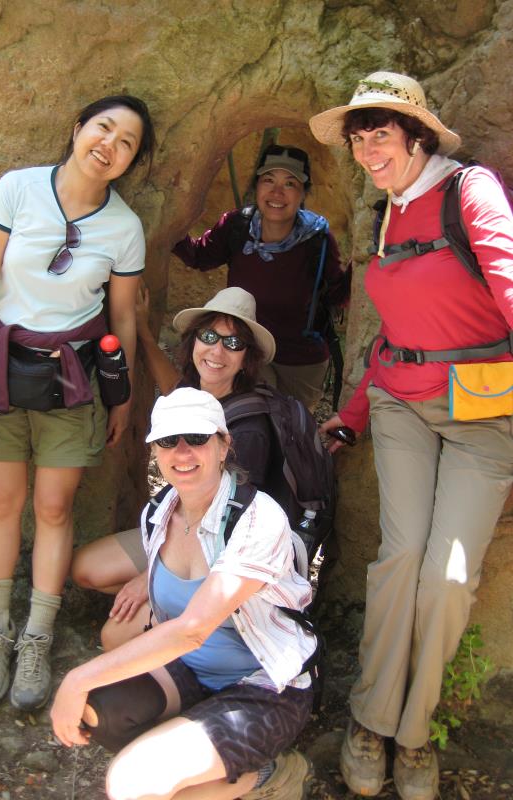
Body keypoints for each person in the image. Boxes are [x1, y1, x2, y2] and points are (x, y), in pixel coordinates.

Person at [0, 94, 156, 711]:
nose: (110, 144)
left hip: (72, 380)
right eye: (104, 128)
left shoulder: (124, 228)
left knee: (53, 507)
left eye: (127, 142)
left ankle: (37, 639)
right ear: (77, 128)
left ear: (131, 161)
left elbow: (121, 316)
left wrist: (119, 394)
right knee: (2, 501)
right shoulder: (17, 190)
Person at [309, 71, 513, 800]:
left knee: (448, 578)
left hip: (483, 412)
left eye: (382, 133)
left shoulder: (469, 191)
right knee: (399, 560)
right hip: (400, 406)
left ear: (417, 135)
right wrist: (354, 413)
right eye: (359, 136)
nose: (367, 148)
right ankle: (370, 719)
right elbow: (397, 339)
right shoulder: (384, 213)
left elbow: (509, 280)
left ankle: (415, 733)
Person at [52, 387, 317, 800]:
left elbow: (192, 629)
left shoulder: (257, 519)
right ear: (155, 449)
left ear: (224, 443)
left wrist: (76, 676)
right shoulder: (159, 512)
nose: (183, 452)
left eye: (197, 438)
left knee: (130, 783)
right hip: (190, 670)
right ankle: (193, 759)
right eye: (167, 441)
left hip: (263, 689)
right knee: (98, 710)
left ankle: (266, 776)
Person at [71, 286, 278, 647]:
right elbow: (169, 383)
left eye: (232, 344)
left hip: (218, 552)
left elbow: (231, 526)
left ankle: (199, 618)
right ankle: (177, 608)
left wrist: (150, 576)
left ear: (247, 359)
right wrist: (143, 329)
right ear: (194, 341)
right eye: (209, 336)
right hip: (176, 526)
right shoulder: (192, 395)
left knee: (112, 639)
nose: (216, 351)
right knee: (85, 568)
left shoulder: (249, 428)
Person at [172, 143, 351, 412]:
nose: (277, 192)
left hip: (300, 358)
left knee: (291, 430)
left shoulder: (317, 237)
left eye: (290, 183)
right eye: (268, 180)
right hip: (245, 348)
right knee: (249, 420)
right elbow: (200, 256)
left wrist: (365, 261)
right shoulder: (237, 226)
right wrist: (169, 222)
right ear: (256, 186)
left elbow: (338, 293)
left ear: (303, 192)